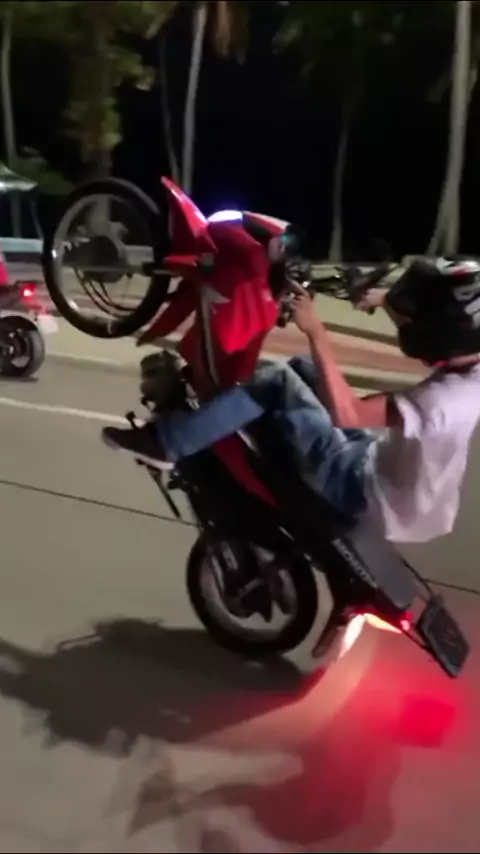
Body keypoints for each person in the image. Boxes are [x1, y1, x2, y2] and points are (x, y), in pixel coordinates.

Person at [102, 257, 480, 543]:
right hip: (398, 484)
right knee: (302, 367)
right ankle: (230, 416)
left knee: (278, 380)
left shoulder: (439, 402)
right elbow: (442, 319)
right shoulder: (471, 364)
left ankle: (167, 444)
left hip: (364, 493)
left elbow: (348, 414)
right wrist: (382, 298)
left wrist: (315, 330)